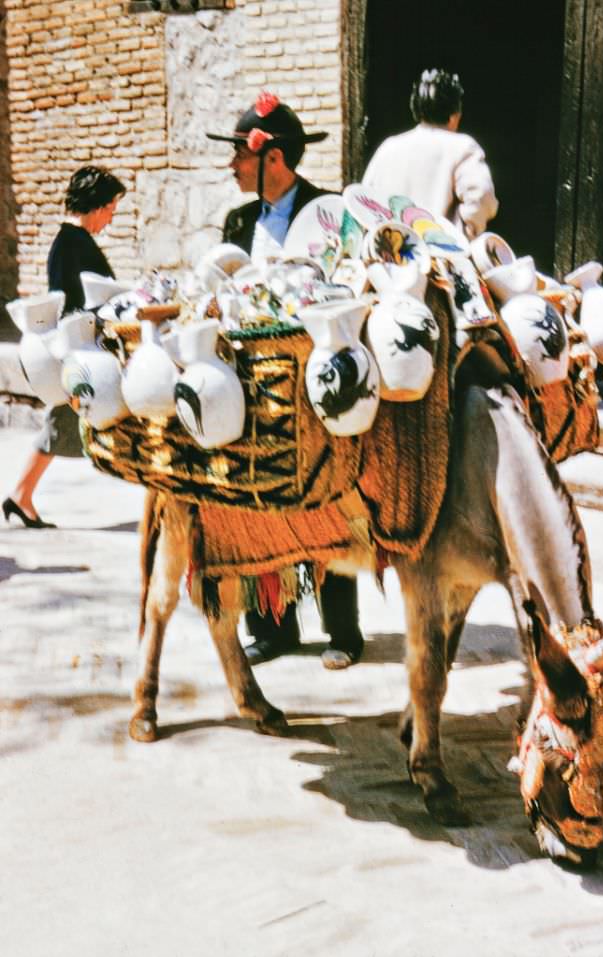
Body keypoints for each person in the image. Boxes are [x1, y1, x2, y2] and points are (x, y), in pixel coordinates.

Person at [206, 93, 364, 670]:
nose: (232, 167)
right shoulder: (238, 221)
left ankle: (343, 631)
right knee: (258, 497)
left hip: (313, 375)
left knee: (327, 494)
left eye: (239, 157)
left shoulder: (327, 211)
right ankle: (273, 627)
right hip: (253, 381)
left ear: (272, 157)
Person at [2, 165, 126, 529]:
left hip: (79, 348)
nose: (111, 218)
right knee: (62, 420)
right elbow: (74, 300)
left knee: (64, 421)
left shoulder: (68, 242)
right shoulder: (74, 243)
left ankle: (22, 495)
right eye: (111, 210)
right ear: (97, 206)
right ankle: (21, 495)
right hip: (78, 351)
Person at [363, 68, 498, 240]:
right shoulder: (463, 146)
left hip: (392, 257)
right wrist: (462, 235)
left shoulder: (388, 147)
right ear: (455, 115)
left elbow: (364, 199)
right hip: (441, 258)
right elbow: (482, 198)